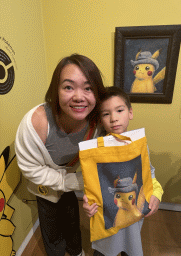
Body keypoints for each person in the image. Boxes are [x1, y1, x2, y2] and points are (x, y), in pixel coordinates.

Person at [15, 54, 106, 256]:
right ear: (56, 91)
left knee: (71, 216)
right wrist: (75, 182)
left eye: (88, 88)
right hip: (45, 185)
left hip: (71, 176)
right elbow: (31, 169)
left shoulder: (98, 122)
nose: (79, 97)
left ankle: (75, 250)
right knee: (51, 224)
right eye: (68, 87)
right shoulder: (35, 123)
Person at [83, 86, 164, 256]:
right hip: (106, 221)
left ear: (130, 112)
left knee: (130, 246)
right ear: (100, 119)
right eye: (106, 114)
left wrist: (156, 193)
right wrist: (88, 202)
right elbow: (90, 184)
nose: (114, 118)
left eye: (119, 110)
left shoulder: (139, 145)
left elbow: (149, 173)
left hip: (132, 218)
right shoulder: (95, 150)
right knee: (104, 251)